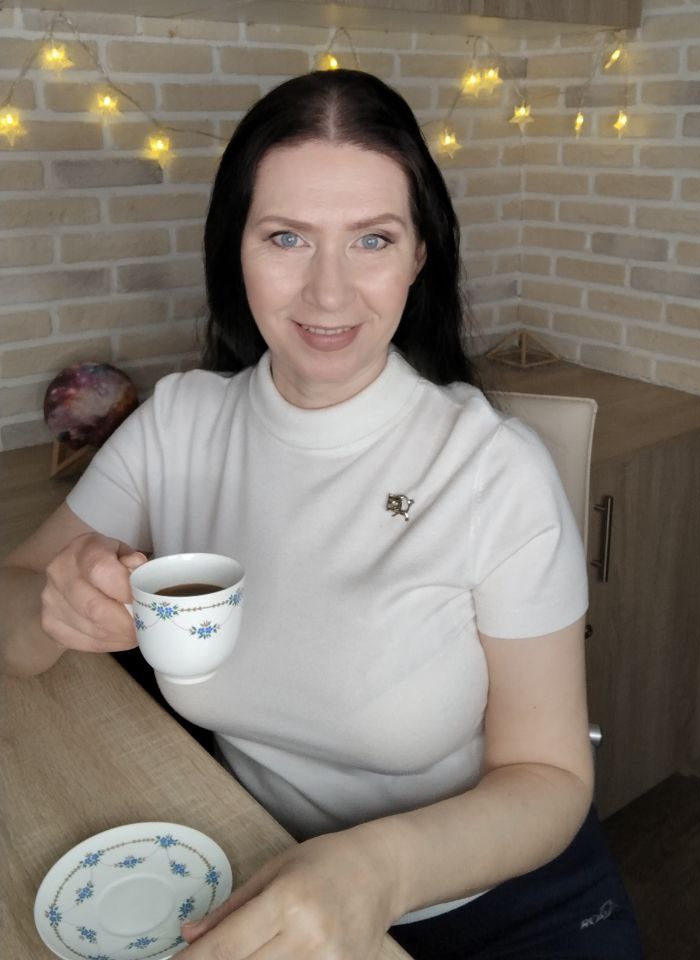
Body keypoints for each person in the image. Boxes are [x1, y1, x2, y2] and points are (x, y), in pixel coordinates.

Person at [0, 69, 642, 959]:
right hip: (256, 866)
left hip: (500, 904)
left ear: (420, 256)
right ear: (235, 248)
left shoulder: (493, 470)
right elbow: (15, 595)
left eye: (372, 239)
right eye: (287, 237)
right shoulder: (179, 424)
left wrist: (373, 873)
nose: (329, 294)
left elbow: (552, 776)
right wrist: (53, 605)